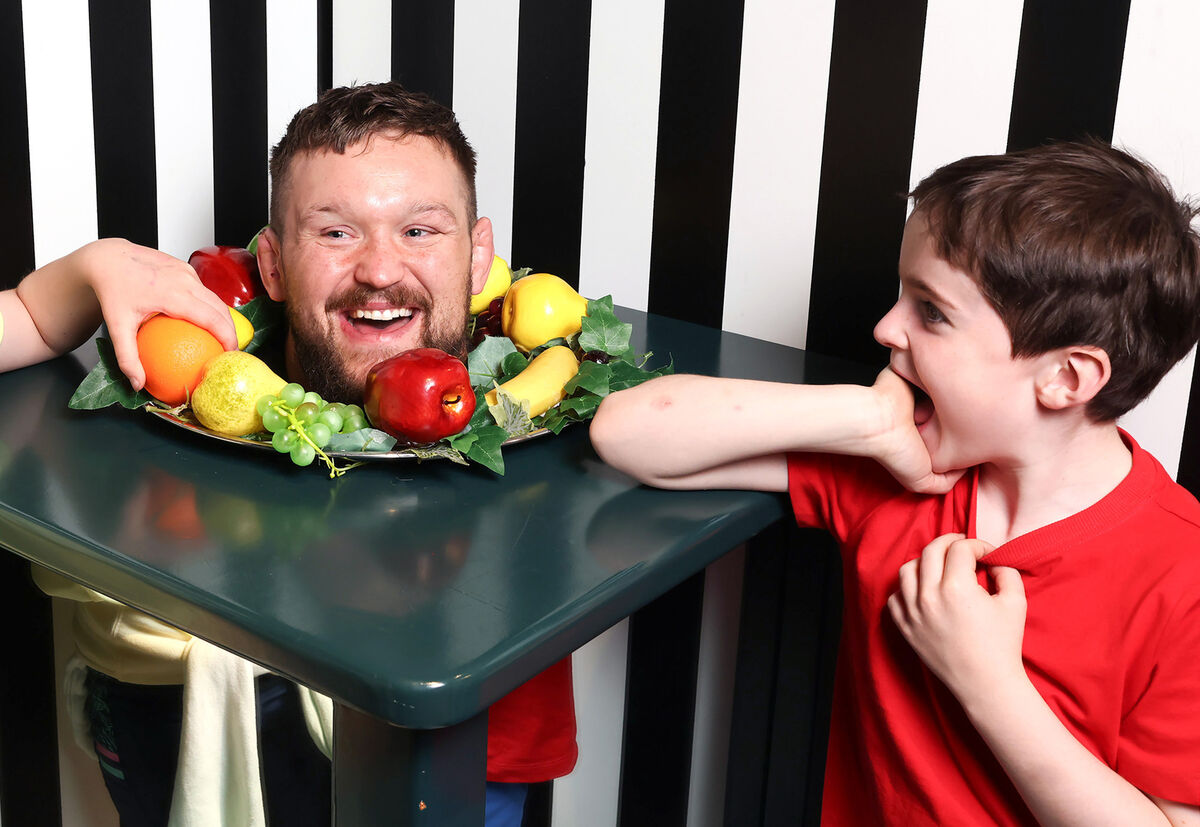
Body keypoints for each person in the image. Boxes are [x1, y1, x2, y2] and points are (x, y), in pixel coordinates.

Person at [2, 82, 576, 827]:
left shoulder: (550, 381)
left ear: (478, 259)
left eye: (420, 231)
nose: (378, 270)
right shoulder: (197, 349)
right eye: (335, 232)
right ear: (270, 266)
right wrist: (77, 278)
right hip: (206, 722)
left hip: (454, 759)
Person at [589, 140, 1200, 825]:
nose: (885, 327)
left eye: (932, 312)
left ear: (1065, 378)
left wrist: (989, 684)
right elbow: (626, 432)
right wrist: (861, 414)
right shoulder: (899, 462)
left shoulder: (1183, 578)